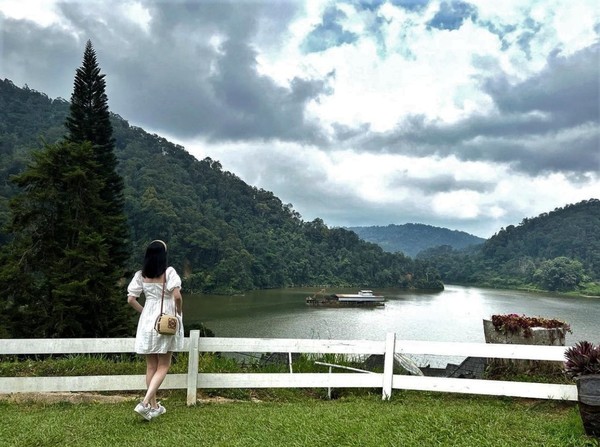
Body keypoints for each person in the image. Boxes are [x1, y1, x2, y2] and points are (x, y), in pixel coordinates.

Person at [127, 240, 183, 420]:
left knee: (151, 365)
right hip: (166, 321)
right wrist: (179, 313)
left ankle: (154, 407)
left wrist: (145, 312)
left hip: (147, 321)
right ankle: (144, 404)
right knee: (164, 364)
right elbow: (177, 296)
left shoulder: (140, 275)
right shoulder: (169, 273)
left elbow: (131, 299)